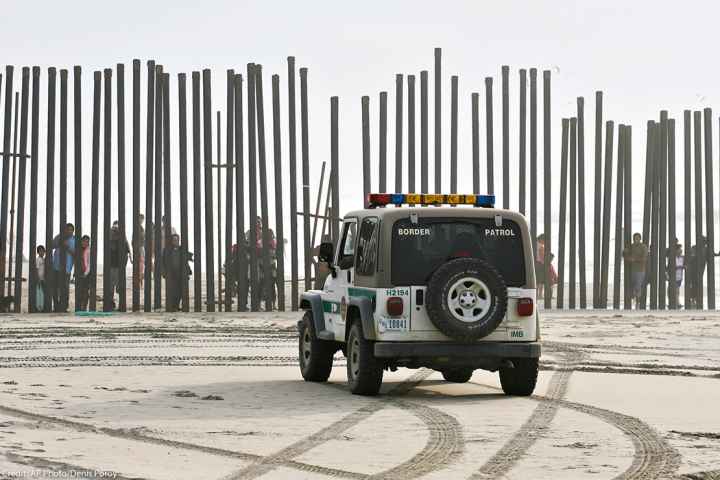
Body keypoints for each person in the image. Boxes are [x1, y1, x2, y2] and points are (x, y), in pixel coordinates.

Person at [161, 234, 191, 312]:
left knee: (180, 291)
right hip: (171, 274)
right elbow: (163, 262)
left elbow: (187, 259)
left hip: (181, 273)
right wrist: (164, 272)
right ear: (171, 241)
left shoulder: (182, 249)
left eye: (177, 240)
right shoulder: (167, 250)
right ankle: (172, 306)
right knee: (172, 291)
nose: (176, 241)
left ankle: (176, 306)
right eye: (174, 240)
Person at [51, 223, 76, 312]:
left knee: (65, 289)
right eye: (67, 229)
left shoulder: (74, 240)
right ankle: (56, 307)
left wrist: (67, 247)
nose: (69, 231)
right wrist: (59, 240)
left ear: (73, 231)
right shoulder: (59, 237)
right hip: (56, 267)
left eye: (70, 230)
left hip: (67, 268)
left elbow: (76, 254)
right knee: (55, 288)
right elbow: (52, 245)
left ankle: (64, 307)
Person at [108, 221, 131, 309]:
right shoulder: (110, 240)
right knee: (110, 287)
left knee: (119, 287)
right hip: (111, 266)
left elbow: (127, 253)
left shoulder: (123, 241)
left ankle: (121, 304)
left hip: (119, 267)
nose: (115, 232)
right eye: (114, 230)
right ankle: (111, 303)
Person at [623, 233, 649, 306]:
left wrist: (634, 260)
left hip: (640, 270)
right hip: (632, 270)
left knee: (638, 286)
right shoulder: (632, 246)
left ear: (640, 239)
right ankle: (635, 299)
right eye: (634, 238)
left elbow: (644, 258)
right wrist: (624, 252)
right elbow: (625, 255)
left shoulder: (643, 246)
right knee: (633, 286)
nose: (635, 240)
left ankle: (637, 303)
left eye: (637, 238)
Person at [535, 234, 557, 300]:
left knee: (537, 281)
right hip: (541, 264)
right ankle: (540, 295)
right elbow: (542, 258)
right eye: (544, 241)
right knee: (541, 281)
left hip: (536, 263)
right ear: (541, 239)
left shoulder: (534, 244)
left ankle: (537, 295)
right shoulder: (541, 246)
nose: (545, 243)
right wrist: (548, 262)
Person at [76, 236, 92, 311]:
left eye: (87, 241)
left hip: (86, 273)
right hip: (80, 272)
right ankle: (80, 307)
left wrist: (85, 273)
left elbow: (89, 264)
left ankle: (84, 307)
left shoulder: (89, 251)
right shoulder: (80, 250)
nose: (85, 243)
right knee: (80, 291)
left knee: (85, 291)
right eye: (84, 241)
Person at [35, 245, 46, 312]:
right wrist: (38, 278)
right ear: (38, 252)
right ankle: (39, 307)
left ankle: (41, 307)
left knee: (42, 293)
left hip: (42, 278)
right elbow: (37, 269)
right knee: (40, 293)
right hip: (39, 278)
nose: (42, 252)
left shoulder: (43, 259)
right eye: (40, 251)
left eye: (43, 251)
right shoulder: (38, 259)